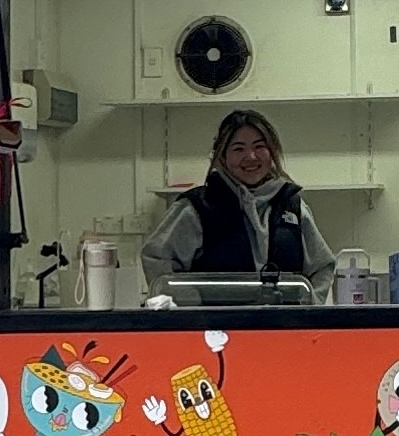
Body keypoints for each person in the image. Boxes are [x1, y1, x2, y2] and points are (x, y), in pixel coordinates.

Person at [141, 108, 338, 299]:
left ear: (272, 152)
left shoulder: (292, 206)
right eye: (238, 149)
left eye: (259, 146)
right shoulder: (197, 208)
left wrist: (309, 309)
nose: (251, 157)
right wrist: (192, 307)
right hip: (217, 328)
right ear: (222, 156)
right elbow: (157, 260)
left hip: (283, 328)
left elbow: (322, 266)